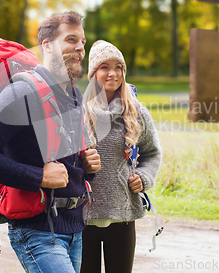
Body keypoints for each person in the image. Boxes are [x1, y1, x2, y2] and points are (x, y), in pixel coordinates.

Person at [0, 11, 101, 273]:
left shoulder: (73, 93)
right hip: (37, 231)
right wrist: (39, 177)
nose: (80, 48)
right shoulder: (22, 91)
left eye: (83, 41)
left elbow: (67, 167)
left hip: (73, 229)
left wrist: (88, 167)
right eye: (71, 40)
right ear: (46, 45)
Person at [80, 40, 162, 273]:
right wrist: (82, 163)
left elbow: (152, 153)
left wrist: (144, 177)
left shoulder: (136, 111)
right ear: (93, 73)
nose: (112, 73)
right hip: (83, 215)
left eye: (119, 67)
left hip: (123, 215)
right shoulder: (78, 112)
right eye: (104, 66)